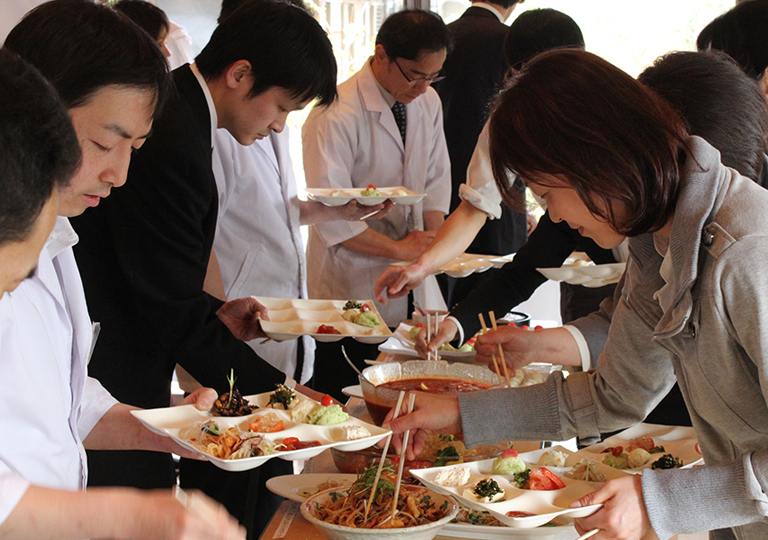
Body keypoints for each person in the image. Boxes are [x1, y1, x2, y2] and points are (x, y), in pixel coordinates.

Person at [387, 48, 768, 539]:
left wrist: (661, 502)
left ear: (594, 159)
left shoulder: (745, 250)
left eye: (546, 194)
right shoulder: (658, 242)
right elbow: (611, 398)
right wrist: (461, 413)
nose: (557, 217)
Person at [69, 1, 338, 536]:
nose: (280, 127)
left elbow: (151, 269)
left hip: (122, 357)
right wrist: (284, 396)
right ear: (240, 74)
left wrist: (213, 311)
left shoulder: (183, 116)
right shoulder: (171, 135)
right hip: (109, 358)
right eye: (282, 107)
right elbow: (165, 303)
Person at [0, 7, 244, 539]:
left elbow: (55, 401)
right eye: (105, 145)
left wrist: (166, 428)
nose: (119, 174)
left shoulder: (57, 233)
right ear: (34, 114)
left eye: (134, 149)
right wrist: (125, 516)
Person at [374, 9, 592, 344]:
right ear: (512, 72)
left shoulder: (610, 116)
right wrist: (424, 268)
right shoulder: (512, 117)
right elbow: (477, 208)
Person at [208, 0, 392, 386]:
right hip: (234, 322)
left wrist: (338, 212)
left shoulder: (268, 116)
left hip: (281, 318)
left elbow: (271, 210)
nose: (280, 125)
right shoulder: (216, 134)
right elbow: (202, 238)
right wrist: (214, 326)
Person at [302, 9, 452, 399]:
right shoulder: (334, 112)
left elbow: (436, 182)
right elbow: (330, 216)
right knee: (346, 396)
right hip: (350, 277)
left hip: (411, 280)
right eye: (415, 75)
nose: (422, 87)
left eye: (432, 76)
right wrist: (399, 249)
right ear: (381, 55)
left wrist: (433, 242)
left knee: (406, 394)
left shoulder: (429, 103)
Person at [431, 0, 527, 309]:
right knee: (495, 306)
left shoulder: (440, 37)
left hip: (440, 195)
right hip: (500, 200)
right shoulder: (511, 43)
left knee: (442, 303)